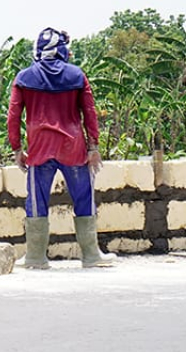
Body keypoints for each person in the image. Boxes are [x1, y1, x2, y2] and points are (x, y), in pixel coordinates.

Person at [8, 27, 112, 269]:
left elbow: (13, 116)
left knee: (36, 200)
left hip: (39, 149)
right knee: (84, 198)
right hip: (73, 147)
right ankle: (91, 255)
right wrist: (93, 146)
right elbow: (89, 113)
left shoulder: (24, 78)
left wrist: (16, 149)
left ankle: (35, 257)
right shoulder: (77, 75)